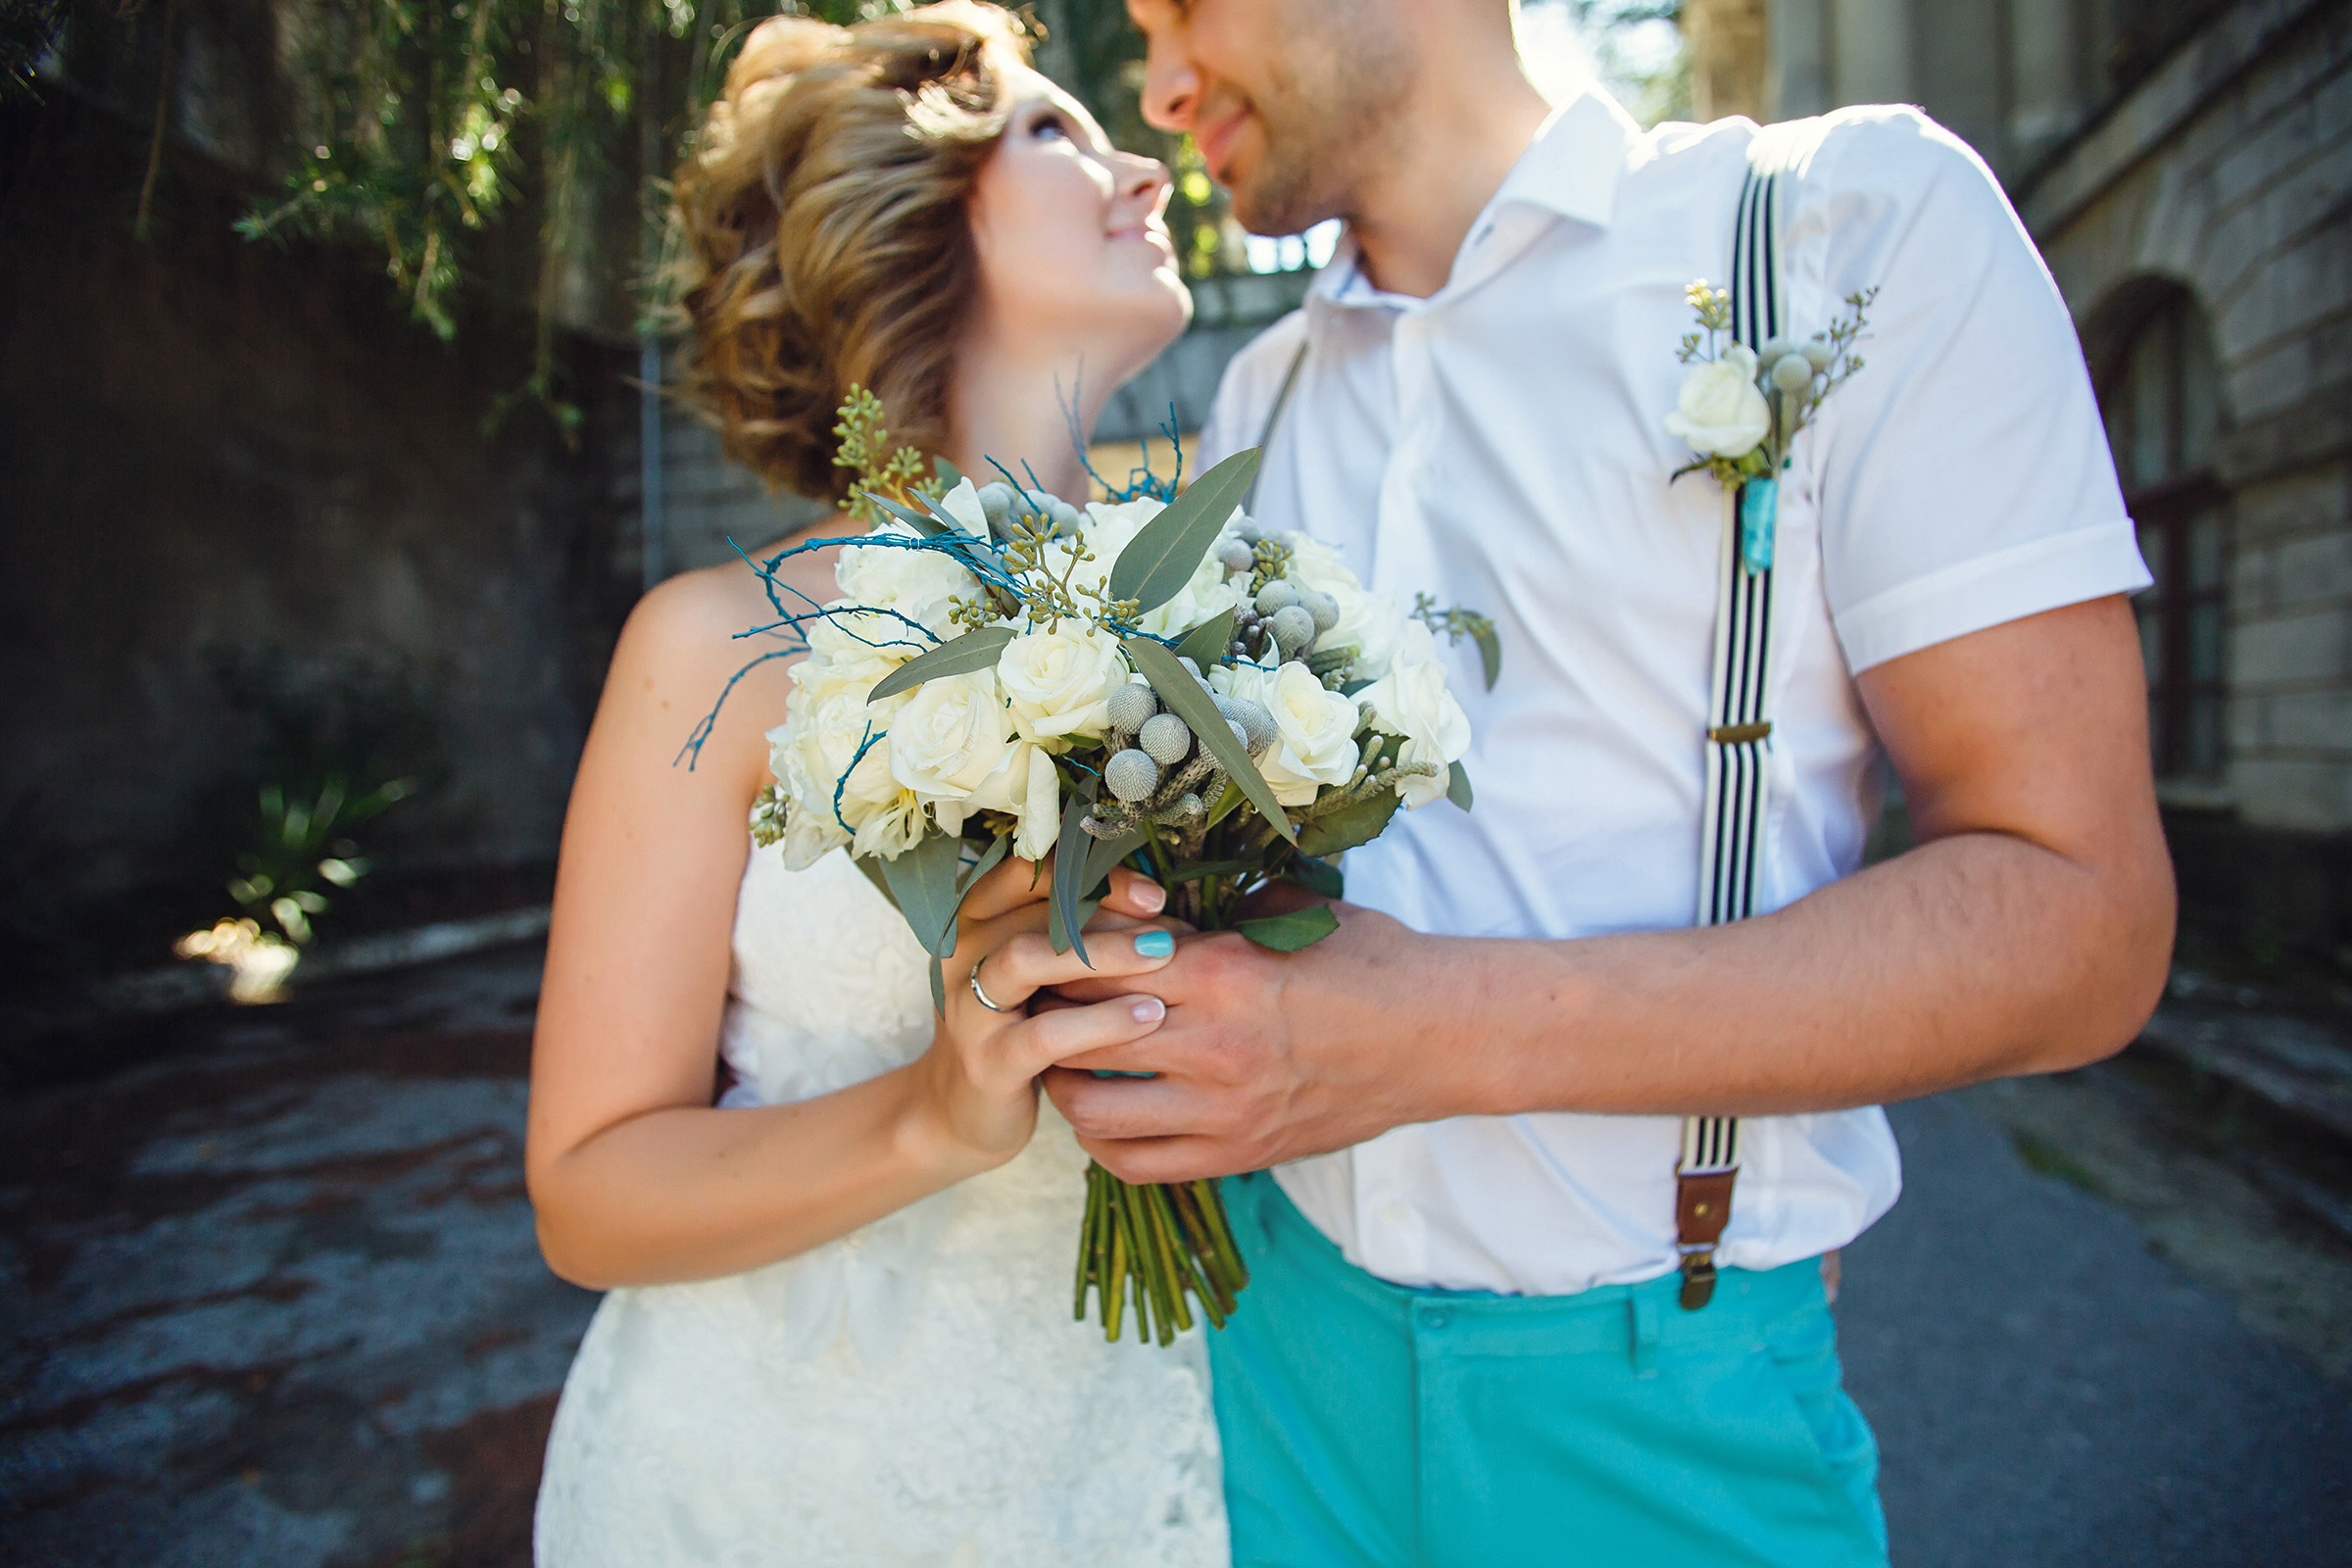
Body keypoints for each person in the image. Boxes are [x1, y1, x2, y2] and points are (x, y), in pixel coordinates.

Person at [1041, 0, 2176, 1563]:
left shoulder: (1838, 232)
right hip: (1274, 1354)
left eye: (1181, 7)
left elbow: (2083, 921)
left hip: (1658, 1407)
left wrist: (1426, 1031)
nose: (1162, 86)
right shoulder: (1264, 398)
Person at [525, 7, 1230, 1563]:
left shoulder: (1228, 632)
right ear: (913, 211)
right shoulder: (713, 646)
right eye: (1056, 133)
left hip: (1140, 1459)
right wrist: (930, 1115)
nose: (1146, 172)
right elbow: (586, 1194)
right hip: (782, 1483)